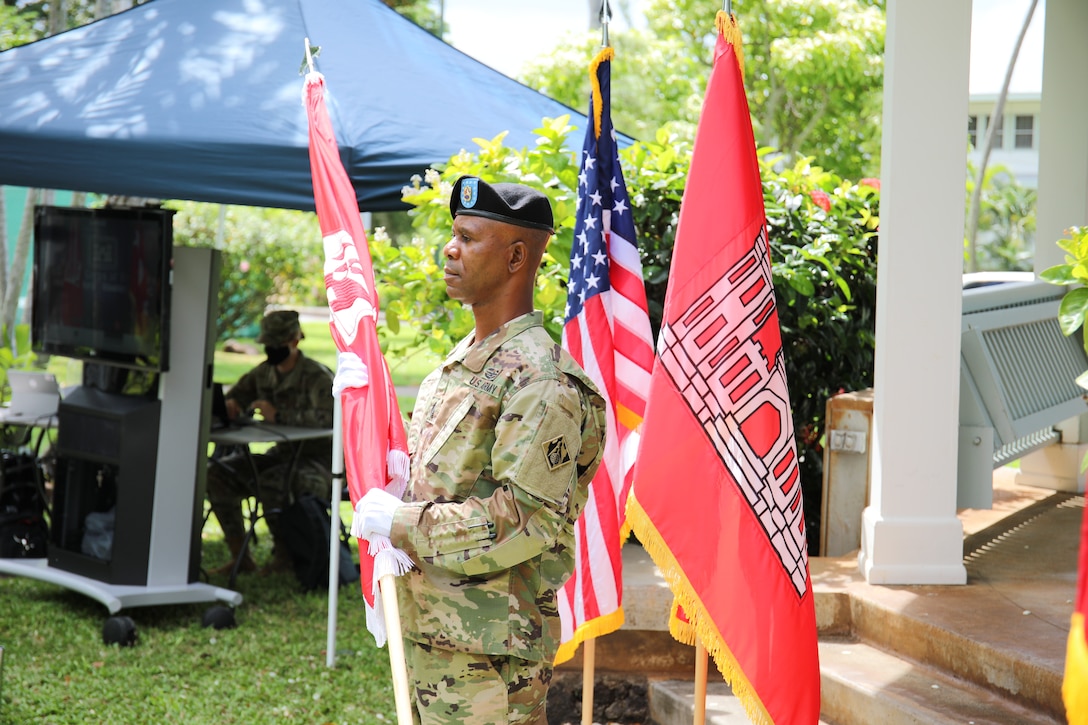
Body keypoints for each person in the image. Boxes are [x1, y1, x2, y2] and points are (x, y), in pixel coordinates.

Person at [354, 176, 607, 724]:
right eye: (454, 234)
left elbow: (523, 521)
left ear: (517, 257)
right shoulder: (464, 362)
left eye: (468, 237)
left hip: (491, 659)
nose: (450, 248)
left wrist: (402, 521)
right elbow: (452, 480)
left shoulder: (541, 383)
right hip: (435, 636)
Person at [206, 309, 335, 576]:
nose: (272, 350)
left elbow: (331, 418)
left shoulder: (317, 377)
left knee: (273, 482)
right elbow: (237, 396)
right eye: (268, 345)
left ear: (295, 341)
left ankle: (285, 558)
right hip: (282, 453)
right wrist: (230, 407)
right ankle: (241, 556)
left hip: (318, 461)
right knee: (217, 475)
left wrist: (279, 415)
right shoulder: (263, 373)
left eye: (278, 344)